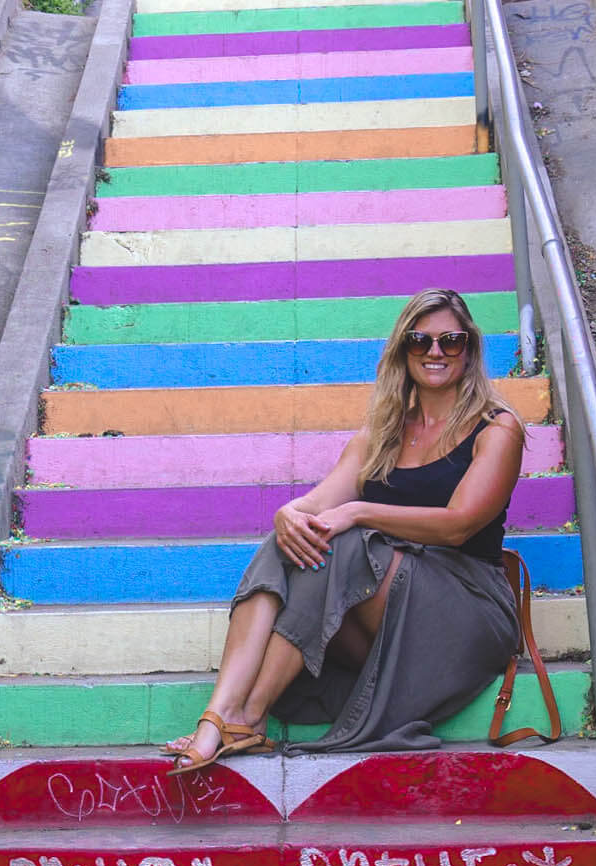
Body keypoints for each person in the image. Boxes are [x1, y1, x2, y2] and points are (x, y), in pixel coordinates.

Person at [162, 287, 525, 770]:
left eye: (450, 341)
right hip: (387, 613)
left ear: (470, 349)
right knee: (298, 536)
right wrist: (288, 514)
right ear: (402, 352)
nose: (435, 352)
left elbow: (458, 526)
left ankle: (249, 715)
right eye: (420, 341)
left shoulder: (497, 429)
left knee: (347, 541)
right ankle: (221, 716)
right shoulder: (380, 436)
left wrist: (358, 512)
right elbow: (318, 505)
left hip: (465, 611)